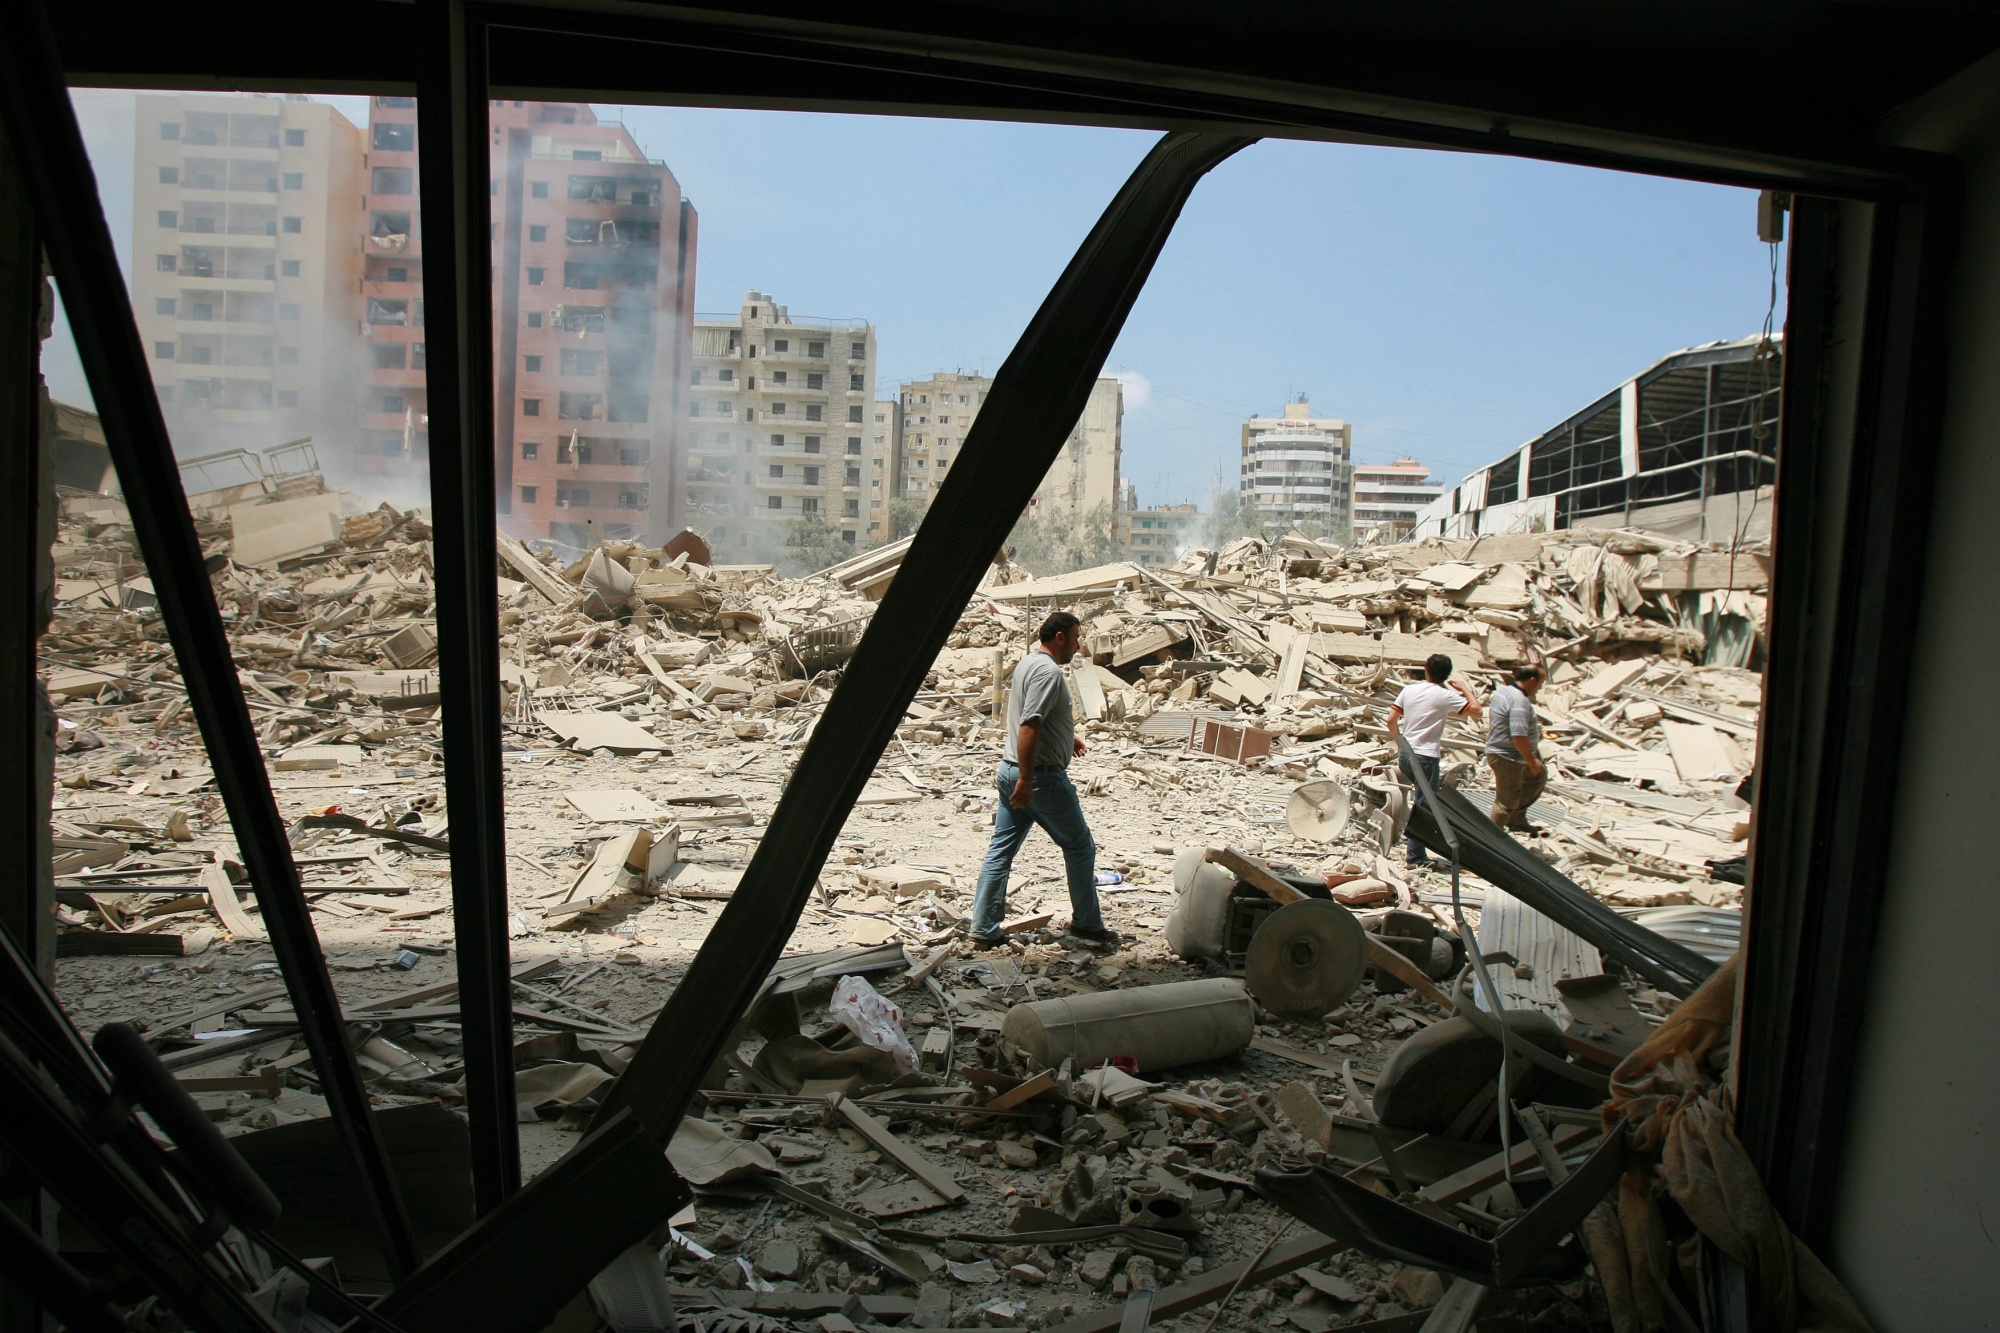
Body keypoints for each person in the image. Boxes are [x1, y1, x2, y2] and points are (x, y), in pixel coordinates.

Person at [969, 611, 1118, 950]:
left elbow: (1039, 718)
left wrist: (1067, 738)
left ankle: (983, 927)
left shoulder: (1027, 663)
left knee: (1000, 851)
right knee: (1080, 847)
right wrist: (1026, 779)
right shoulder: (1048, 671)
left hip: (1011, 772)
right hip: (1039, 780)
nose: (1079, 647)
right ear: (1060, 637)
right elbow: (1029, 724)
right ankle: (1087, 924)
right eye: (1077, 638)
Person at [1386, 652, 1481, 867]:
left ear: (1426, 670)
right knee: (1424, 806)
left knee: (1420, 801)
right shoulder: (1445, 696)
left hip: (1407, 753)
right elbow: (1476, 712)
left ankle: (1415, 847)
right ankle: (1415, 855)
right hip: (1426, 757)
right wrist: (1465, 688)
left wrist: (1399, 742)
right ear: (1446, 674)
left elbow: (1391, 719)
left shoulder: (1409, 690)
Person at [1485, 663, 1548, 832]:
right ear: (1532, 680)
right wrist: (1532, 761)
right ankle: (1490, 841)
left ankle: (1516, 819)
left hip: (1513, 754)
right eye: (1541, 683)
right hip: (1508, 757)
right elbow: (1519, 735)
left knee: (1537, 778)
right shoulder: (1519, 701)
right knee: (1506, 802)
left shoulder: (1505, 692)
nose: (1540, 687)